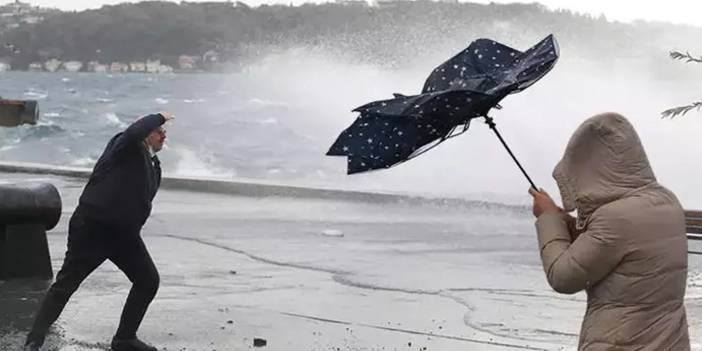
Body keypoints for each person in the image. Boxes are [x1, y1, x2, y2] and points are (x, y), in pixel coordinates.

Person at [529, 112, 690, 350]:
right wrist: (564, 219)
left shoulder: (615, 218)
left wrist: (548, 218)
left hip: (621, 342)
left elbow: (564, 277)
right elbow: (613, 251)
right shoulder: (666, 201)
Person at [25, 112, 174, 351]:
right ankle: (34, 341)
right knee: (67, 284)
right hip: (93, 229)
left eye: (164, 132)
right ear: (146, 133)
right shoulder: (124, 145)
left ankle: (124, 339)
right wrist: (159, 116)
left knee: (148, 281)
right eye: (159, 131)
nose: (163, 135)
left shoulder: (153, 164)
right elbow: (134, 131)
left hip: (124, 236)